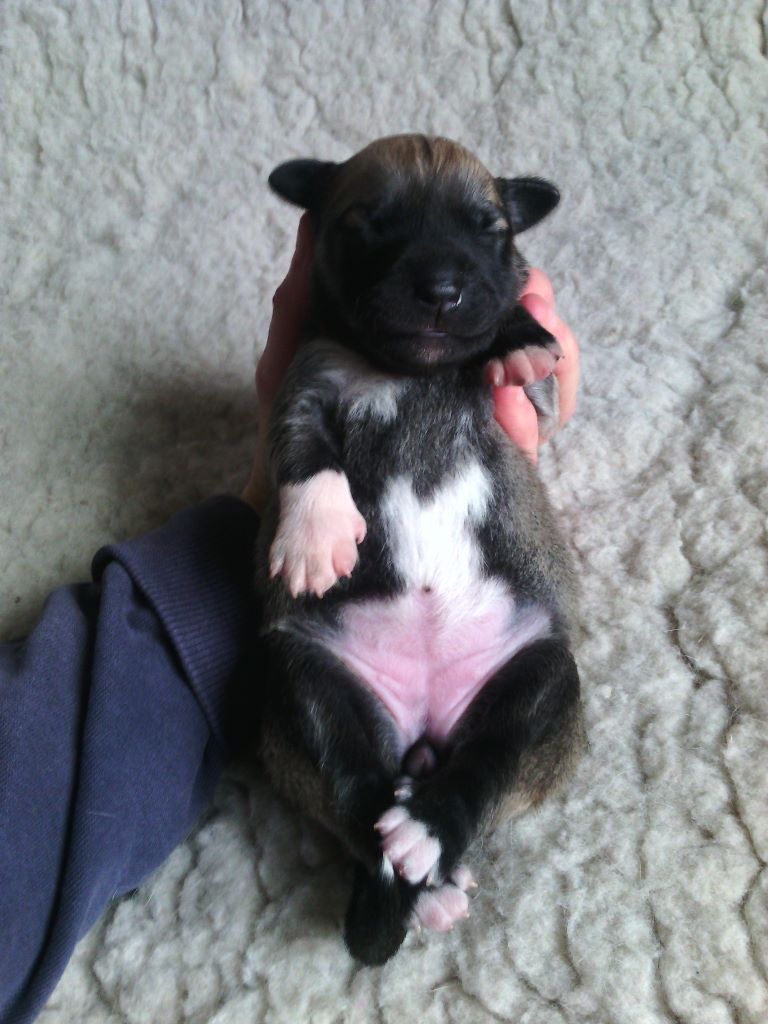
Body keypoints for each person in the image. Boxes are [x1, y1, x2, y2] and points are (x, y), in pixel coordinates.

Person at [0, 215, 578, 1024]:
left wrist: (516, 340)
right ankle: (397, 837)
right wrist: (293, 483)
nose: (438, 288)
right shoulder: (327, 363)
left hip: (486, 631)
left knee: (548, 678)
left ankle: (426, 823)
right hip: (352, 651)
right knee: (298, 674)